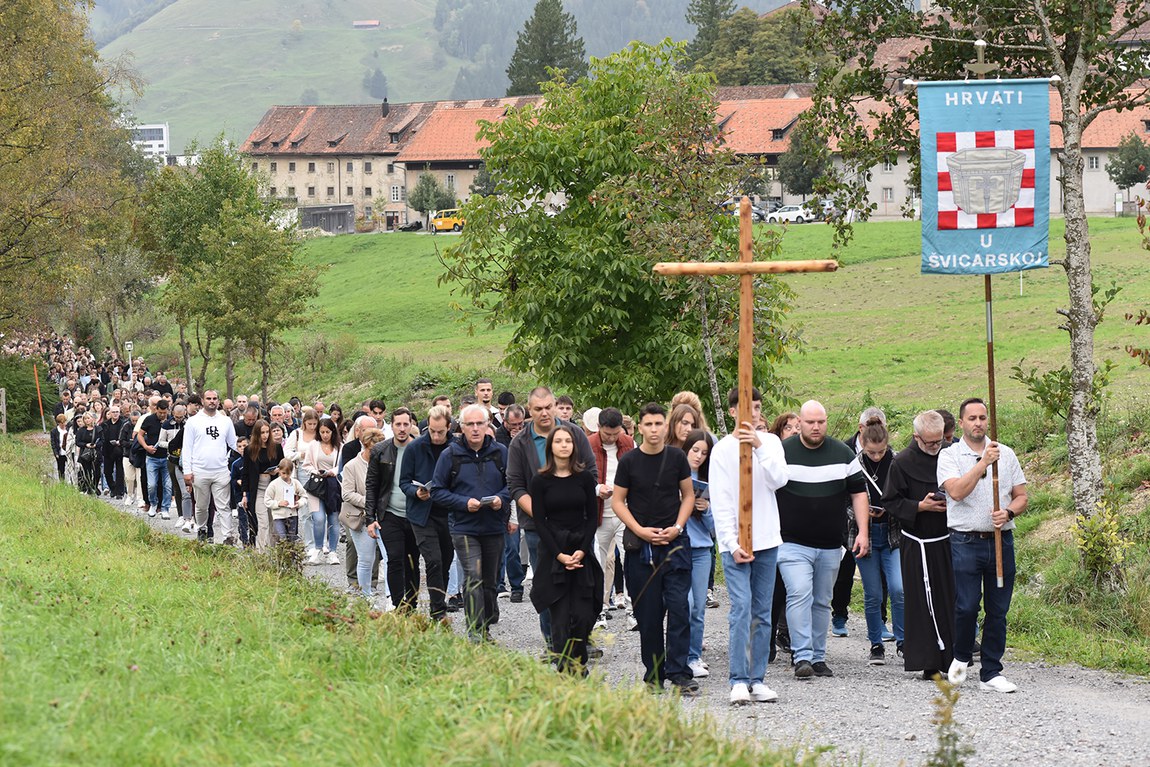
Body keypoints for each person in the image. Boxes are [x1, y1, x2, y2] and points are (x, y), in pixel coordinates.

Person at [938, 398, 1027, 693]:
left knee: (998, 610)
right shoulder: (950, 455)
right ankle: (961, 657)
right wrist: (983, 464)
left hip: (1001, 541)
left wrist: (1009, 512)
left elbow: (1021, 496)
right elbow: (957, 492)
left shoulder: (1007, 453)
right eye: (972, 418)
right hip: (965, 541)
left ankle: (991, 672)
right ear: (961, 423)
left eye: (983, 417)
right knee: (966, 606)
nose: (978, 423)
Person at [777, 400, 870, 680]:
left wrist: (863, 532)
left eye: (820, 422)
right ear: (800, 423)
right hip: (791, 541)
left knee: (821, 601)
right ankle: (801, 655)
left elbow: (859, 493)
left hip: (830, 543)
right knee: (798, 592)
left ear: (826, 422)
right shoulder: (783, 452)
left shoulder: (843, 453)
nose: (815, 427)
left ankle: (818, 657)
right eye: (810, 422)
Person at [611, 402, 697, 695]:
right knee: (648, 616)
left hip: (675, 545)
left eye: (659, 424)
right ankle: (655, 675)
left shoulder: (676, 458)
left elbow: (687, 495)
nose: (654, 430)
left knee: (679, 608)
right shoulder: (629, 462)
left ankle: (680, 673)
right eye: (648, 424)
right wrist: (639, 530)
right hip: (641, 549)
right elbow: (617, 501)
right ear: (640, 426)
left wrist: (678, 526)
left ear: (666, 426)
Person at [710, 387, 788, 704]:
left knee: (762, 611)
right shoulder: (722, 450)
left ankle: (758, 679)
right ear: (733, 412)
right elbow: (722, 500)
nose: (754, 413)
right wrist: (730, 541)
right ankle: (738, 679)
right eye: (747, 407)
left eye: (757, 407)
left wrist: (758, 447)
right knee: (740, 609)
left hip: (767, 540)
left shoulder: (770, 442)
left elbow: (779, 479)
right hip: (736, 543)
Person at [507, 386, 597, 652]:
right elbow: (515, 485)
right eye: (538, 409)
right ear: (529, 410)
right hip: (538, 527)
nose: (544, 413)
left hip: (577, 524)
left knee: (582, 583)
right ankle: (553, 643)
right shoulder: (519, 443)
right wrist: (544, 513)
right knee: (549, 584)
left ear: (556, 405)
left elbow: (590, 473)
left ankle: (581, 638)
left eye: (548, 407)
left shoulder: (575, 435)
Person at [882, 410, 955, 680]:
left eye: (940, 442)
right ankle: (928, 662)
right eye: (930, 443)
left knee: (949, 598)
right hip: (917, 542)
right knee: (921, 602)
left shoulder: (950, 454)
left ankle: (952, 658)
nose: (936, 447)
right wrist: (920, 506)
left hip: (947, 539)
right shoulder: (901, 462)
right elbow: (890, 501)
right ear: (916, 437)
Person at [430, 404, 511, 643]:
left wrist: (501, 499)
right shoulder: (450, 455)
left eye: (480, 424)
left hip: (494, 525)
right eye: (470, 425)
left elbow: (514, 484)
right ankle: (476, 630)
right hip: (464, 527)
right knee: (473, 576)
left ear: (488, 425)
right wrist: (464, 503)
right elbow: (437, 491)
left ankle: (486, 621)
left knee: (490, 580)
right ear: (461, 428)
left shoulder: (500, 453)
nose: (475, 429)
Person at [529, 424, 603, 673]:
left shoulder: (584, 478)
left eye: (568, 441)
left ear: (574, 447)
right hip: (553, 551)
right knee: (559, 619)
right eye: (558, 441)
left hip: (581, 549)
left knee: (582, 615)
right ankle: (565, 669)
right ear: (551, 447)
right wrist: (559, 555)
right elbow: (540, 521)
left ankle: (579, 664)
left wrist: (582, 550)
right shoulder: (540, 481)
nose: (564, 445)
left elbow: (592, 517)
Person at [833, 406, 889, 638]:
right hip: (850, 524)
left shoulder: (889, 455)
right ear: (860, 430)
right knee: (844, 571)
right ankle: (839, 614)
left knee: (882, 576)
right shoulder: (844, 450)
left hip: (882, 523)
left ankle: (881, 621)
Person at [853, 416, 905, 665]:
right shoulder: (853, 465)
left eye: (881, 451)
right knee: (873, 593)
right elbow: (845, 501)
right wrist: (863, 513)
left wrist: (890, 509)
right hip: (865, 535)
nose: (876, 456)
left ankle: (904, 641)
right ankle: (876, 643)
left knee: (898, 588)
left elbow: (904, 497)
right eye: (872, 452)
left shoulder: (897, 462)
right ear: (862, 444)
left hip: (892, 533)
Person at [400, 405, 456, 620]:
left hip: (449, 512)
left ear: (449, 427)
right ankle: (438, 611)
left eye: (440, 431)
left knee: (446, 559)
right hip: (422, 514)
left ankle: (438, 599)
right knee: (433, 559)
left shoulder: (456, 447)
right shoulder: (415, 448)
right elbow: (404, 482)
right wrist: (416, 491)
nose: (435, 435)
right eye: (432, 430)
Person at [365, 407, 421, 611]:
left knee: (412, 560)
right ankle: (398, 604)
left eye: (406, 424)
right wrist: (369, 518)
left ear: (411, 425)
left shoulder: (419, 448)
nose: (402, 428)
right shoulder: (381, 450)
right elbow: (372, 485)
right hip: (390, 513)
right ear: (392, 426)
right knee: (395, 558)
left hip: (415, 514)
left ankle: (412, 605)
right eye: (398, 424)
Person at [588, 407, 635, 622]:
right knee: (598, 562)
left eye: (616, 434)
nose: (613, 438)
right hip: (598, 514)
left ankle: (633, 609)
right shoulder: (587, 445)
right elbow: (581, 477)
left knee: (630, 560)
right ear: (598, 428)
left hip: (625, 512)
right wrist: (598, 489)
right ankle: (599, 610)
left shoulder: (628, 443)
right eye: (608, 434)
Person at [681, 428, 715, 680]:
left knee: (698, 607)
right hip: (678, 546)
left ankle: (693, 656)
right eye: (695, 451)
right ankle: (679, 654)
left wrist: (705, 510)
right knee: (686, 603)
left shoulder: (710, 480)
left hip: (702, 549)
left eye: (704, 453)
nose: (699, 456)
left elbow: (716, 530)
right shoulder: (675, 475)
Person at [182, 390, 239, 544]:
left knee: (224, 506)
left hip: (220, 470)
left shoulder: (225, 421)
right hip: (200, 470)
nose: (212, 401)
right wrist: (187, 471)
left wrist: (247, 453)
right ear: (203, 401)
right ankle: (202, 529)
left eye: (215, 398)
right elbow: (187, 448)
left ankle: (227, 536)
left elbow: (233, 443)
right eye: (209, 399)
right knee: (201, 506)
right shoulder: (193, 422)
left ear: (218, 401)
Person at [342, 428, 389, 603]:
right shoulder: (351, 466)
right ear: (365, 446)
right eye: (372, 450)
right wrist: (370, 501)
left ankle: (391, 599)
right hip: (360, 517)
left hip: (384, 515)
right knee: (366, 558)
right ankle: (366, 596)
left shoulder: (386, 463)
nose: (377, 454)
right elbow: (347, 494)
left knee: (390, 557)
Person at [494, 403, 527, 601]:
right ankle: (501, 583)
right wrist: (514, 443)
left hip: (525, 491)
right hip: (506, 492)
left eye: (520, 424)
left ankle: (518, 583)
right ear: (504, 422)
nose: (516, 427)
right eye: (512, 424)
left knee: (517, 544)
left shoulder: (528, 433)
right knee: (506, 543)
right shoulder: (498, 436)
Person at [303, 418, 342, 565]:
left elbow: (342, 466)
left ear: (333, 432)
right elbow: (306, 464)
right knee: (318, 519)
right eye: (322, 432)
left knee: (333, 519)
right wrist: (315, 471)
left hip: (332, 485)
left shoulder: (340, 447)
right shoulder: (314, 445)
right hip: (317, 485)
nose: (325, 435)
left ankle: (333, 551)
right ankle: (318, 548)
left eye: (328, 432)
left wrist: (332, 471)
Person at [242, 419, 283, 549]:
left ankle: (272, 551)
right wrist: (244, 494)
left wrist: (277, 471)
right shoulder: (250, 450)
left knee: (273, 523)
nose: (265, 435)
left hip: (273, 488)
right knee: (262, 522)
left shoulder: (276, 447)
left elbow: (283, 467)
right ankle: (261, 552)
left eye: (267, 432)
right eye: (262, 433)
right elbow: (246, 473)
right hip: (258, 489)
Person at [285, 409, 320, 558]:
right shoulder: (297, 434)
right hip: (302, 473)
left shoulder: (320, 434)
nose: (312, 427)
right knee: (305, 511)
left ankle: (321, 542)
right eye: (309, 423)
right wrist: (301, 455)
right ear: (304, 422)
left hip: (318, 473)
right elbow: (286, 452)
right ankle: (309, 544)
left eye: (314, 424)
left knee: (318, 511)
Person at [138, 399, 173, 519]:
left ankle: (165, 508)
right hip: (152, 458)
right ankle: (153, 504)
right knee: (151, 485)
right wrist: (146, 447)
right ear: (156, 409)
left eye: (165, 412)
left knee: (168, 485)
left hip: (167, 457)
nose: (163, 415)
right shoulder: (149, 419)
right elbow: (140, 434)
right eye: (160, 412)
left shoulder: (171, 421)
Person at [265, 458, 306, 544]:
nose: (285, 476)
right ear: (279, 471)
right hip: (278, 516)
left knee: (291, 539)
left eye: (288, 473)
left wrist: (298, 503)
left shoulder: (295, 483)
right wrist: (278, 503)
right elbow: (267, 500)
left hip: (292, 514)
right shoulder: (274, 484)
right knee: (282, 538)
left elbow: (304, 496)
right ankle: (281, 556)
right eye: (283, 473)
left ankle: (291, 556)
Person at [75, 412, 100, 495]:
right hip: (85, 453)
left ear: (92, 419)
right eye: (85, 418)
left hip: (96, 453)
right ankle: (89, 489)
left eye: (88, 418)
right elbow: (78, 442)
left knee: (97, 472)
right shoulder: (81, 430)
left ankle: (94, 486)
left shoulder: (98, 429)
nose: (87, 420)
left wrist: (96, 445)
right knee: (87, 472)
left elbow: (102, 440)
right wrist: (86, 445)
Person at [51, 413, 69, 480]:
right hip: (60, 452)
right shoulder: (54, 431)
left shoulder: (68, 429)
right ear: (58, 423)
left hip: (68, 451)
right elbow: (53, 443)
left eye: (64, 422)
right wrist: (56, 453)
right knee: (61, 468)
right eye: (61, 423)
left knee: (71, 467)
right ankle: (62, 481)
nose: (63, 424)